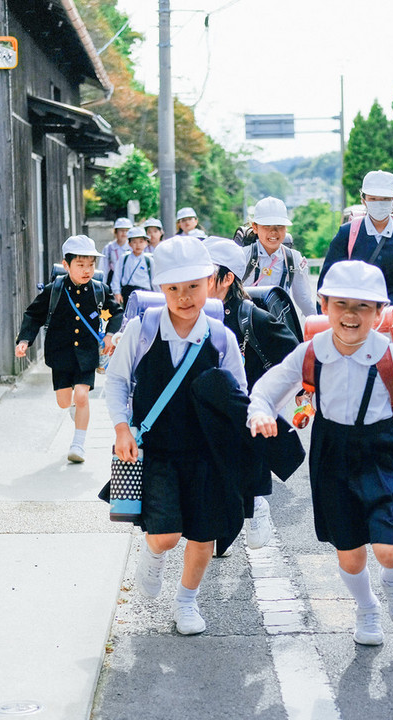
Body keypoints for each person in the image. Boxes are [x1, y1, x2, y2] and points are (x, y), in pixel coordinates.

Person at [248, 261, 393, 646]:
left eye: (363, 306)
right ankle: (366, 608)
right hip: (332, 454)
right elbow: (269, 387)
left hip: (383, 452)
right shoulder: (310, 353)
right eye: (341, 303)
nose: (350, 314)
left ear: (379, 312)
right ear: (324, 304)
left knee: (391, 551)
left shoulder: (390, 355)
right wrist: (260, 411)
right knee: (349, 555)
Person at [104, 236, 247, 635]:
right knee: (165, 536)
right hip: (158, 452)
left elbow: (240, 396)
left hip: (207, 454)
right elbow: (116, 382)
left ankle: (186, 601)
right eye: (173, 289)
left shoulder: (222, 338)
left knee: (203, 536)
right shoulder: (142, 329)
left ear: (211, 281)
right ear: (160, 289)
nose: (184, 297)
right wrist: (121, 428)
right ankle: (151, 556)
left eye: (193, 287)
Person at [204, 237, 300, 557]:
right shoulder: (188, 313)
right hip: (205, 412)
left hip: (246, 413)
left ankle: (258, 504)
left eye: (206, 273)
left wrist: (290, 395)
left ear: (227, 278)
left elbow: (295, 356)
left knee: (243, 474)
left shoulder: (251, 317)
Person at [15, 235, 122, 463]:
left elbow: (116, 312)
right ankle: (74, 407)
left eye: (91, 265)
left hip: (87, 353)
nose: (87, 270)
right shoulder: (54, 290)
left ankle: (78, 445)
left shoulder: (99, 290)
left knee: (82, 395)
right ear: (66, 265)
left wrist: (111, 335)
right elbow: (33, 315)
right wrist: (24, 340)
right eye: (81, 265)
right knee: (64, 401)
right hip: (60, 353)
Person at [318, 171, 393, 328]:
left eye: (385, 199)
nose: (379, 204)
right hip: (355, 311)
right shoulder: (348, 233)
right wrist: (322, 311)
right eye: (373, 199)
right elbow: (330, 273)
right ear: (363, 200)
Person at [241, 197, 314, 317]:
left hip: (278, 324)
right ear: (255, 227)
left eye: (279, 226)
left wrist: (316, 326)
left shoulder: (293, 259)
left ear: (286, 228)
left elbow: (303, 299)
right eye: (267, 226)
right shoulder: (243, 256)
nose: (274, 231)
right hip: (246, 322)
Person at [112, 226, 153, 305]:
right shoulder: (124, 258)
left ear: (146, 242)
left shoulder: (149, 260)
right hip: (128, 292)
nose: (138, 245)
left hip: (146, 292)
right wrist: (117, 292)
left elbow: (153, 280)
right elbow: (117, 276)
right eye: (134, 242)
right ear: (129, 243)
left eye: (141, 241)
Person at [100, 217, 132, 288]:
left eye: (127, 230)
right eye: (121, 230)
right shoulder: (109, 248)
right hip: (112, 279)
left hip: (128, 279)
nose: (124, 233)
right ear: (115, 232)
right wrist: (102, 285)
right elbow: (103, 268)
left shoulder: (132, 247)